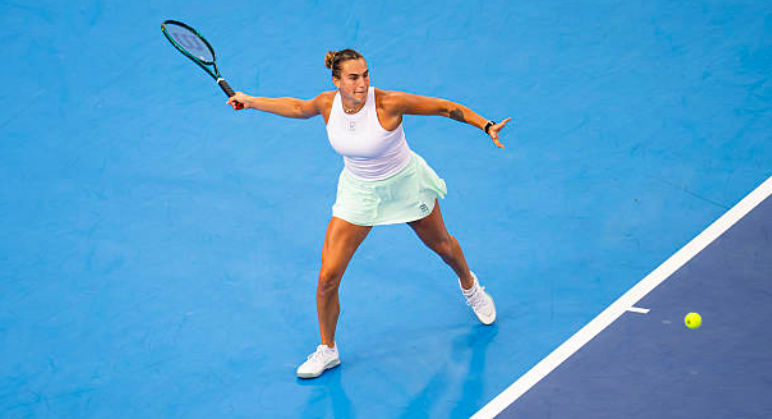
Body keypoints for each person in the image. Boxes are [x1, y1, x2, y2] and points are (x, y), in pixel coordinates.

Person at [227, 49, 511, 379]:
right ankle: (328, 350)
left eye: (365, 75)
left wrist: (485, 124)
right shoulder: (326, 103)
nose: (362, 83)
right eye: (353, 77)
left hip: (405, 184)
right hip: (359, 192)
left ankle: (470, 286)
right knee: (327, 277)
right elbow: (297, 107)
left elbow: (446, 108)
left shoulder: (388, 103)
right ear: (337, 81)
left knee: (443, 247)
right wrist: (250, 100)